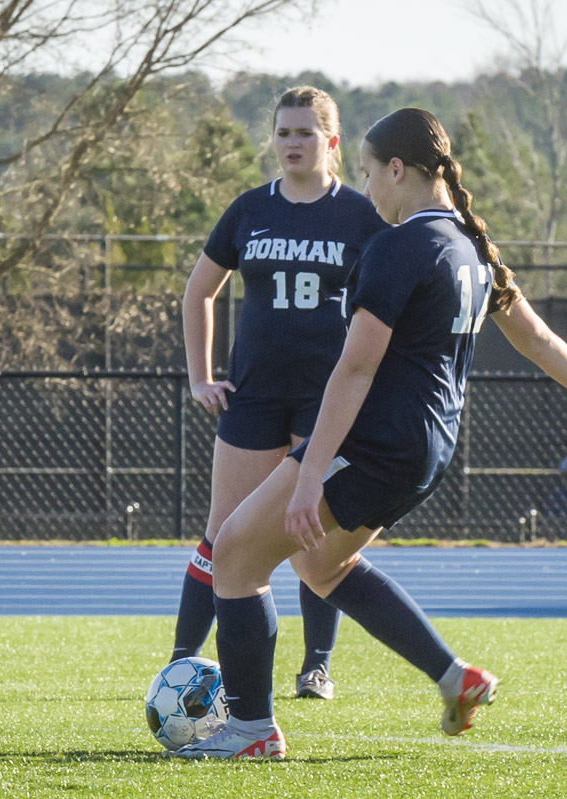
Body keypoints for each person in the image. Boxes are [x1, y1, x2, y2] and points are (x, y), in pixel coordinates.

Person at [170, 107, 567, 759]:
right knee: (320, 562)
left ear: (398, 169)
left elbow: (357, 366)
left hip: (374, 441)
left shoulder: (400, 245)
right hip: (427, 448)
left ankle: (251, 729)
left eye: (368, 172)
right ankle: (457, 678)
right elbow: (535, 335)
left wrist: (308, 475)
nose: (367, 189)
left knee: (236, 556)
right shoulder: (473, 245)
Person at [170, 86, 391, 701]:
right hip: (255, 395)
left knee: (309, 536)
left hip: (326, 400)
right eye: (283, 132)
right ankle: (180, 662)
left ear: (332, 141)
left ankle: (315, 666)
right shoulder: (248, 210)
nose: (292, 143)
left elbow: (393, 302)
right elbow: (198, 293)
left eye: (305, 133)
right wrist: (199, 376)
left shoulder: (360, 214)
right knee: (223, 532)